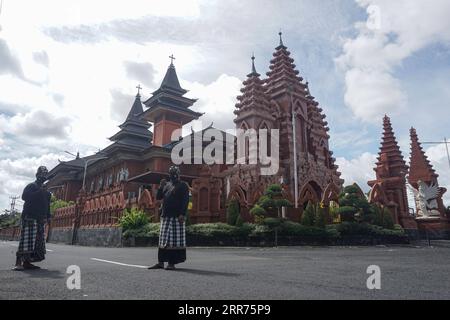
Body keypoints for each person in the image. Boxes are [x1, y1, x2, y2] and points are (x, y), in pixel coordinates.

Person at [148, 166, 189, 270]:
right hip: (165, 216)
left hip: (176, 217)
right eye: (171, 173)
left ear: (178, 174)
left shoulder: (183, 185)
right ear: (169, 174)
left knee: (173, 241)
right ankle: (160, 262)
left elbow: (185, 200)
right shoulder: (167, 185)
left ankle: (172, 263)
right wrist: (161, 187)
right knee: (163, 240)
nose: (173, 175)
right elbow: (158, 198)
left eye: (175, 173)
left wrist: (182, 214)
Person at [13, 166, 51, 271]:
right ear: (37, 175)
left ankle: (27, 262)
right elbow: (25, 197)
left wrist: (48, 216)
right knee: (26, 240)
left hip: (40, 219)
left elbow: (47, 205)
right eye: (41, 174)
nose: (43, 176)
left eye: (45, 174)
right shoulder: (31, 186)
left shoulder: (47, 192)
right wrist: (39, 191)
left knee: (36, 242)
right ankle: (18, 262)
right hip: (29, 217)